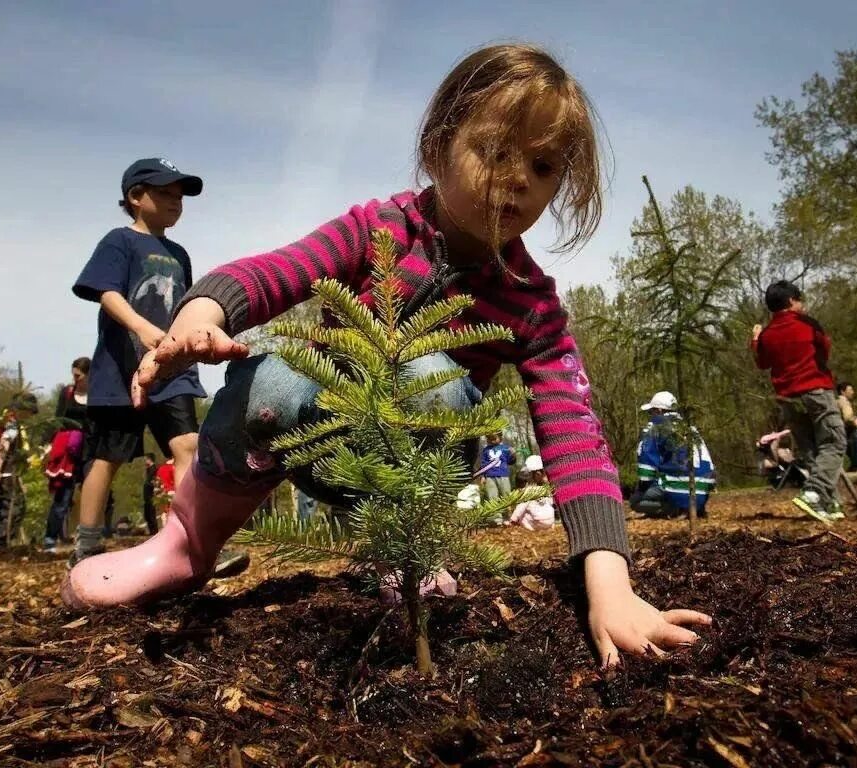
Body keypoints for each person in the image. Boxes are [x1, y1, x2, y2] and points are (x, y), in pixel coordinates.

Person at [63, 43, 710, 666]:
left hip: (408, 482)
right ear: (438, 147)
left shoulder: (530, 303)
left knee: (430, 376)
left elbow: (574, 431)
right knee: (270, 375)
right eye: (494, 151)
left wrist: (610, 583)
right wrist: (204, 312)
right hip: (300, 427)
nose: (517, 180)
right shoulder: (379, 229)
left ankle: (404, 553)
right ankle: (187, 543)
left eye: (542, 167)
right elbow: (283, 270)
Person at [68, 157, 245, 571]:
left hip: (173, 371)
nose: (175, 202)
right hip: (121, 371)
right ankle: (87, 547)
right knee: (107, 457)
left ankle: (186, 545)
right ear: (135, 196)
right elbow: (105, 292)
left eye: (180, 196)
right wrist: (142, 329)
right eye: (164, 193)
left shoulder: (179, 254)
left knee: (187, 446)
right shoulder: (119, 241)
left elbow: (187, 306)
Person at [752, 281, 846, 524]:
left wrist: (755, 340)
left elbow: (762, 363)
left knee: (810, 449)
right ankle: (814, 492)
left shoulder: (767, 334)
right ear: (792, 301)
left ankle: (828, 501)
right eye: (800, 300)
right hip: (815, 390)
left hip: (787, 397)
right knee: (834, 442)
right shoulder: (806, 323)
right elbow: (825, 348)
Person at [628, 392, 716, 519]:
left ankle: (674, 508)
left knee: (635, 501)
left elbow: (646, 467)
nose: (650, 416)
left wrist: (643, 487)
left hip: (679, 484)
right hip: (704, 486)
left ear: (658, 410)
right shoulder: (689, 427)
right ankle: (694, 507)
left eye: (651, 411)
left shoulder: (656, 426)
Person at [44, 358, 93, 550]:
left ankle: (86, 538)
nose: (75, 378)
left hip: (87, 450)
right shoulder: (67, 393)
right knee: (62, 498)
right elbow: (58, 418)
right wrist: (47, 444)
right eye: (73, 375)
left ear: (88, 375)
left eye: (78, 375)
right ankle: (50, 539)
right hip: (68, 453)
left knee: (89, 495)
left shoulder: (96, 394)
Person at [0, 394, 38, 548]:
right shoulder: (11, 424)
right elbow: (3, 447)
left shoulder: (2, 420)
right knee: (13, 508)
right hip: (3, 473)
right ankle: (0, 542)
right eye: (29, 412)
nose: (30, 416)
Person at [509, 454, 555, 530]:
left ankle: (531, 529)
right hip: (550, 521)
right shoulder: (546, 489)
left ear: (537, 474)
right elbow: (551, 503)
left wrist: (512, 520)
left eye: (529, 474)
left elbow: (521, 507)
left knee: (522, 513)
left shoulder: (529, 490)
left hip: (538, 523)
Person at [837, 382, 857, 471]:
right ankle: (856, 467)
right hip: (846, 430)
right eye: (850, 390)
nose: (853, 392)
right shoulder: (843, 401)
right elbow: (848, 418)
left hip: (839, 431)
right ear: (843, 391)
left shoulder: (837, 400)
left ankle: (853, 466)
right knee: (855, 443)